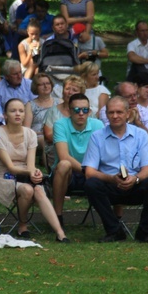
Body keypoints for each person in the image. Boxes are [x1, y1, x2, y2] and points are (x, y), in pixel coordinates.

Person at [83, 96, 148, 243]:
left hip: (135, 184)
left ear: (128, 113)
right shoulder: (97, 136)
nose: (115, 116)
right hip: (110, 185)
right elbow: (89, 172)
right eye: (111, 112)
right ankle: (114, 231)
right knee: (91, 184)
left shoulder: (140, 135)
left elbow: (147, 169)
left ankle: (144, 232)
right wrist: (111, 178)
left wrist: (136, 179)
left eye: (119, 112)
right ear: (106, 114)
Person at [0, 99, 70, 242]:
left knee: (38, 190)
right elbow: (10, 167)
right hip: (5, 177)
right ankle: (22, 224)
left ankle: (60, 233)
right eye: (13, 111)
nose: (18, 114)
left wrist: (35, 172)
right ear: (5, 115)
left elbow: (31, 165)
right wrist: (30, 173)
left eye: (21, 111)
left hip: (25, 173)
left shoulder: (30, 134)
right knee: (27, 190)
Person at [51, 93, 103, 224]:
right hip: (68, 174)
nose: (81, 113)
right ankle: (57, 217)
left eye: (85, 110)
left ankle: (114, 220)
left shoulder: (98, 125)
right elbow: (64, 156)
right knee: (64, 164)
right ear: (69, 111)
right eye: (76, 110)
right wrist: (88, 171)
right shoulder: (60, 125)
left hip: (92, 171)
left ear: (89, 111)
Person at [100, 82, 148, 177]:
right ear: (119, 98)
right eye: (129, 96)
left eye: (135, 95)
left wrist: (139, 123)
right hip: (114, 155)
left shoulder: (142, 110)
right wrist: (127, 120)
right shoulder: (108, 111)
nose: (134, 99)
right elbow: (114, 138)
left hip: (138, 154)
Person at [43, 76, 87, 168]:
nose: (70, 92)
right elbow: (48, 136)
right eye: (67, 89)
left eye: (74, 90)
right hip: (57, 153)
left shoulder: (89, 113)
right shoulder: (52, 111)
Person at [23, 73, 58, 166]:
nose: (46, 86)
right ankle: (49, 173)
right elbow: (26, 128)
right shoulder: (30, 105)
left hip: (56, 134)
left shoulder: (59, 102)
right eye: (42, 84)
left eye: (48, 83)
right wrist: (41, 134)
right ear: (36, 87)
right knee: (44, 140)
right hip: (37, 137)